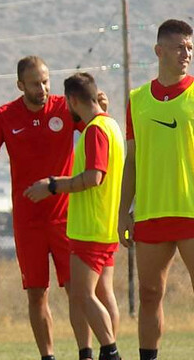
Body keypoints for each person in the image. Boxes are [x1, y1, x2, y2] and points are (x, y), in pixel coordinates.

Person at [0, 56, 115, 360]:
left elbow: (96, 126)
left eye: (46, 80)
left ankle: (85, 353)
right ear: (20, 85)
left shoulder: (66, 106)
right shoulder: (6, 115)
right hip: (27, 222)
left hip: (66, 218)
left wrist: (102, 104)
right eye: (35, 83)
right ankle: (47, 356)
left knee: (77, 291)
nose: (43, 88)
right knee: (37, 294)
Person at [24, 72, 124, 360]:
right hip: (105, 226)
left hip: (90, 227)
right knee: (104, 295)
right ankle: (109, 350)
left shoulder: (95, 130)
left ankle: (111, 351)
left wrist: (53, 186)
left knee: (82, 295)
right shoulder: (111, 125)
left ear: (73, 100)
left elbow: (93, 177)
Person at [117, 19, 194, 360]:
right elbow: (131, 160)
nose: (186, 54)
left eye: (190, 48)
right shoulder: (137, 100)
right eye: (180, 47)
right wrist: (123, 212)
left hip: (191, 211)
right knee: (149, 294)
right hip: (149, 212)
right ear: (159, 50)